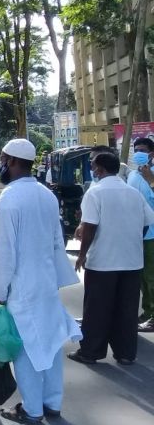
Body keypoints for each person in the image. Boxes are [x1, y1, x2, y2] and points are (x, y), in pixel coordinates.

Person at [0, 138, 82, 425]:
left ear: (14, 162)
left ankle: (32, 409)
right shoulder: (45, 194)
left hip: (21, 286)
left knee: (28, 349)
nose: (1, 165)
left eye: (3, 160)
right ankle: (52, 403)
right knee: (51, 343)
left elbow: (5, 251)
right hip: (45, 282)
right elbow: (58, 241)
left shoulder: (10, 198)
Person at [68, 151, 154, 367]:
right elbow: (146, 222)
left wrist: (82, 253)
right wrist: (132, 243)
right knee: (126, 310)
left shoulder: (95, 193)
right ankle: (125, 353)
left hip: (103, 263)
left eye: (93, 165)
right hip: (132, 261)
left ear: (100, 169)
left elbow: (89, 227)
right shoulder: (133, 193)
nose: (92, 169)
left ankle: (90, 352)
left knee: (97, 309)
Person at [128, 137, 154, 332]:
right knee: (142, 277)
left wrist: (150, 180)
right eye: (136, 149)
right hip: (136, 234)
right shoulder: (132, 175)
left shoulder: (150, 175)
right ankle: (147, 312)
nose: (138, 152)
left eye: (142, 150)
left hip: (152, 234)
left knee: (152, 276)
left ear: (151, 154)